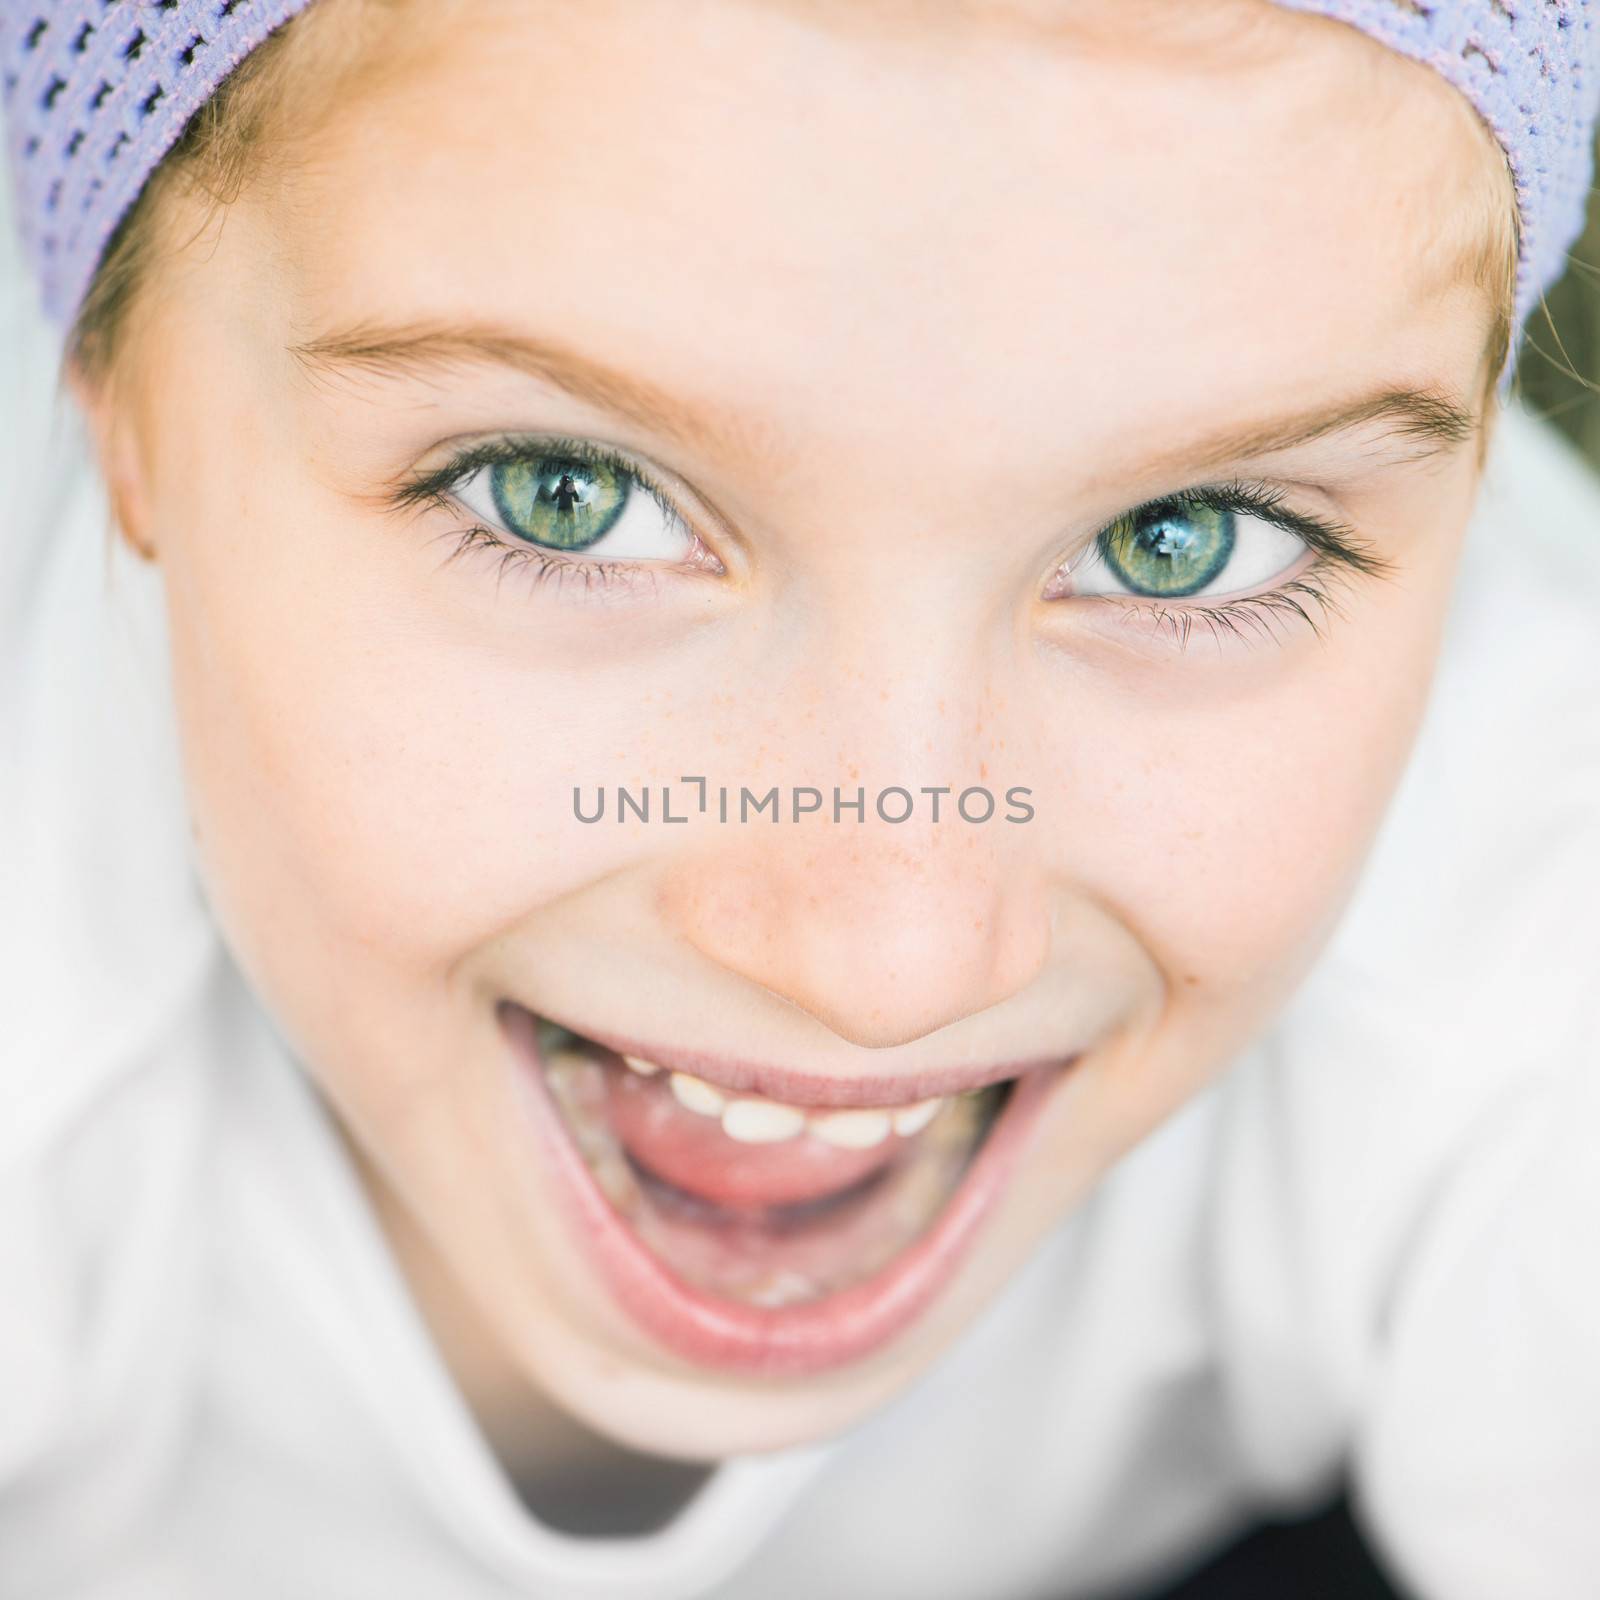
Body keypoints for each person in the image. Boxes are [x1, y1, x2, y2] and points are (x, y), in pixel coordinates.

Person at [2, 2, 1597, 1595]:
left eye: (1182, 537)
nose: (885, 968)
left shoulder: (1529, 868)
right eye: (567, 497)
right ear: (115, 396)